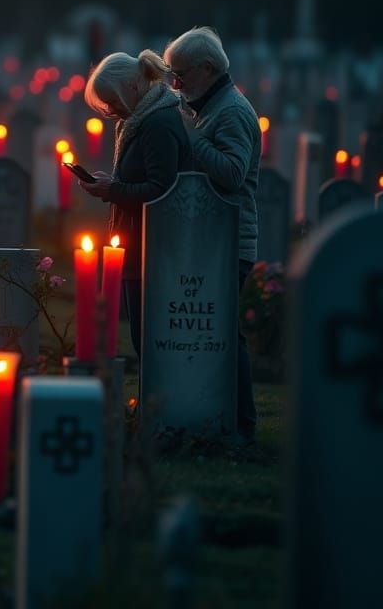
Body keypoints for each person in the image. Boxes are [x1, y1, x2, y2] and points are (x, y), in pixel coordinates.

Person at [163, 26, 261, 444]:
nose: (175, 84)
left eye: (181, 74)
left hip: (230, 241)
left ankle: (241, 425)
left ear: (208, 68)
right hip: (208, 239)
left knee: (225, 333)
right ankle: (206, 412)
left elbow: (233, 174)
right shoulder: (205, 104)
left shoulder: (232, 111)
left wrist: (191, 137)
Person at [77, 50, 192, 358]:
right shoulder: (140, 120)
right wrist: (111, 184)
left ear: (131, 87)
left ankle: (154, 404)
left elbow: (163, 189)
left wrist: (112, 189)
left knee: (150, 341)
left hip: (151, 250)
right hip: (137, 246)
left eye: (112, 102)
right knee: (142, 340)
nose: (111, 112)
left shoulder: (158, 124)